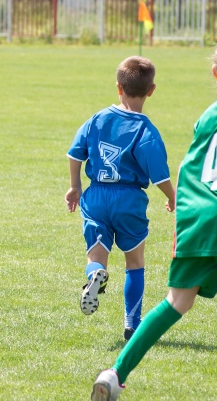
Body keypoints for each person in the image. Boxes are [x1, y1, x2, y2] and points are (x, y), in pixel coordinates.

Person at [90, 40, 217, 400]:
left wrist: (181, 206)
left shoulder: (209, 117)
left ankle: (115, 374)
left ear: (215, 72)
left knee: (176, 301)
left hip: (200, 218)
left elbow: (193, 170)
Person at [65, 56, 175, 341]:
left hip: (97, 195)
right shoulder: (146, 131)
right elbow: (160, 175)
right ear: (151, 90)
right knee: (134, 263)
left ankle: (95, 274)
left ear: (118, 87)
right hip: (129, 199)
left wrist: (75, 186)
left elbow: (75, 153)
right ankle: (131, 323)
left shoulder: (98, 119)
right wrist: (172, 198)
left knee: (97, 254)